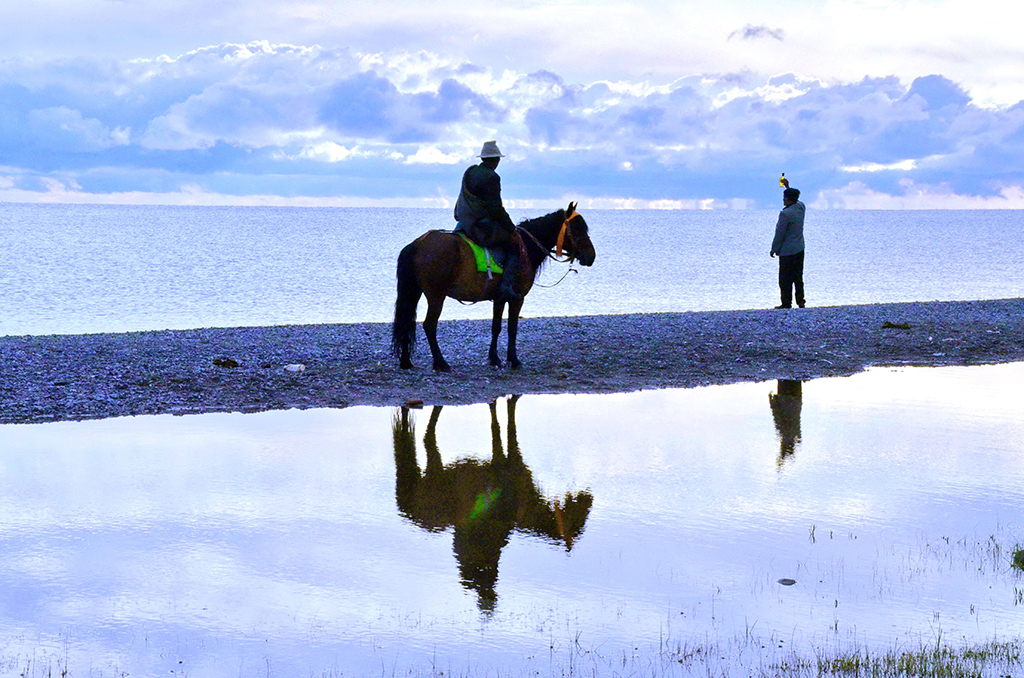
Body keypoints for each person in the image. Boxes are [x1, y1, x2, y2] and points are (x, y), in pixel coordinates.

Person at [454, 140, 523, 302]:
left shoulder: (470, 172)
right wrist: (511, 228)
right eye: (498, 159)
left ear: (483, 158)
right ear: (495, 160)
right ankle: (505, 287)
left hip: (464, 221)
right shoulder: (492, 177)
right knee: (515, 247)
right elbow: (495, 208)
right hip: (481, 225)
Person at [770, 186, 806, 308]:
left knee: (785, 279)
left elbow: (780, 233)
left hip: (787, 251)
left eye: (784, 198)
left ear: (788, 199)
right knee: (798, 276)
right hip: (800, 248)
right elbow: (797, 200)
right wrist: (787, 187)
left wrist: (774, 249)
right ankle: (800, 301)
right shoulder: (801, 207)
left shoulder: (785, 214)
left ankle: (786, 303)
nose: (783, 200)